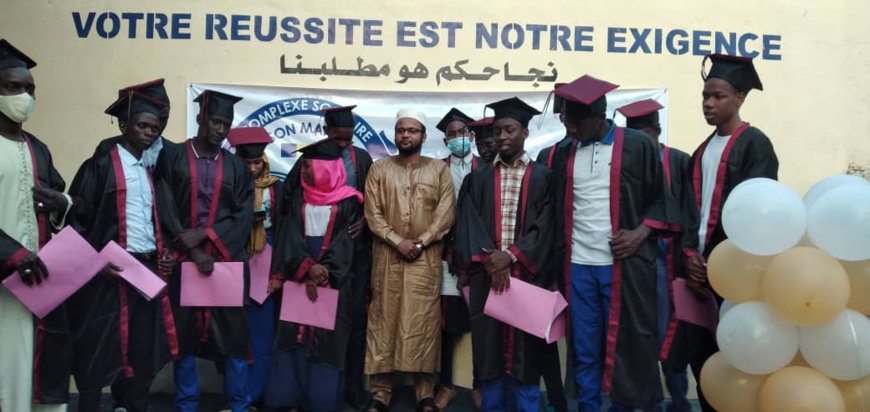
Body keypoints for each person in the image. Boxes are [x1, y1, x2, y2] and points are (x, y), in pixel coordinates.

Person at [549, 75, 678, 412]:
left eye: (576, 123)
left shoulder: (637, 145)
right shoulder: (565, 152)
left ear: (597, 117)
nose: (571, 129)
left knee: (628, 343)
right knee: (584, 345)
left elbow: (661, 200)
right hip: (577, 265)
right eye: (566, 122)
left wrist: (641, 232)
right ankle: (588, 406)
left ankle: (623, 407)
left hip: (622, 266)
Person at [67, 91, 178, 412]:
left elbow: (154, 221)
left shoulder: (149, 171)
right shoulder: (100, 166)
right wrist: (94, 261)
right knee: (98, 345)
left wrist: (165, 251)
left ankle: (132, 405)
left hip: (144, 272)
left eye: (155, 128)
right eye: (142, 125)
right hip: (107, 275)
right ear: (124, 124)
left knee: (141, 348)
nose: (149, 132)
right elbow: (78, 219)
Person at [681, 54, 778, 412]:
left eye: (718, 96)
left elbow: (756, 212)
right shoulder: (701, 151)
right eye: (705, 96)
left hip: (736, 278)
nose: (708, 103)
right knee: (703, 360)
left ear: (740, 97)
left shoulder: (755, 145)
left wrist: (717, 262)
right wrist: (689, 256)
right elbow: (688, 212)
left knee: (737, 357)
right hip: (697, 275)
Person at [452, 97, 556, 412]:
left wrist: (509, 256)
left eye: (509, 129)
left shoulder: (543, 177)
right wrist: (492, 261)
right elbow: (469, 223)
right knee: (488, 349)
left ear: (525, 133)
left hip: (526, 275)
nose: (502, 136)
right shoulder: (477, 179)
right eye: (497, 131)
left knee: (526, 350)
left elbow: (546, 227)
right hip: (487, 275)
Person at [153, 89, 254, 412]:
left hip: (225, 263)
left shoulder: (236, 167)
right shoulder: (173, 157)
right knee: (183, 338)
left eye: (226, 124)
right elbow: (164, 204)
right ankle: (187, 403)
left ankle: (239, 403)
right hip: (184, 262)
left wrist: (206, 235)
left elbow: (242, 216)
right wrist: (192, 247)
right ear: (200, 119)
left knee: (234, 338)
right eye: (215, 121)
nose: (221, 130)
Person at [278, 105, 373, 409]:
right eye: (338, 137)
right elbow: (290, 199)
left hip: (349, 256)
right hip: (308, 256)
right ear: (327, 131)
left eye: (348, 138)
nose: (344, 144)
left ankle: (352, 387)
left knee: (351, 322)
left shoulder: (363, 158)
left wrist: (366, 220)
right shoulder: (311, 158)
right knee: (303, 324)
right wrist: (306, 264)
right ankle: (300, 390)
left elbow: (372, 199)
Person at [363, 108, 455, 412]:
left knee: (424, 323)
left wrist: (422, 241)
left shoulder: (439, 170)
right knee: (383, 321)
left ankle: (425, 392)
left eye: (412, 130)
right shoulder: (379, 169)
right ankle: (380, 393)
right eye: (401, 130)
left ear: (424, 136)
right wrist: (395, 241)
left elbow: (446, 213)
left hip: (425, 260)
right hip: (387, 258)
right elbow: (372, 214)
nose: (406, 135)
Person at [0, 39, 73, 412]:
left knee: (43, 373)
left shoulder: (38, 147)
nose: (24, 96)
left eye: (29, 89)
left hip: (40, 284)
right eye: (13, 87)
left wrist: (63, 204)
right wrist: (12, 254)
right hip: (5, 284)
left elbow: (58, 195)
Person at [263, 139, 362, 412]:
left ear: (325, 168)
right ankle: (292, 399)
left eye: (307, 166)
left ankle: (321, 401)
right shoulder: (298, 199)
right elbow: (288, 237)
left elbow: (348, 241)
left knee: (326, 341)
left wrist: (324, 271)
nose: (303, 171)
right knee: (294, 337)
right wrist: (307, 268)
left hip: (334, 279)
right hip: (300, 274)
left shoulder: (350, 202)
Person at [616, 99, 692, 412]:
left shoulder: (679, 162)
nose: (638, 141)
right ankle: (650, 401)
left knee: (671, 337)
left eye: (644, 134)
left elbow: (690, 210)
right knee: (637, 336)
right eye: (631, 134)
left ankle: (679, 400)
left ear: (658, 131)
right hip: (635, 263)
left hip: (670, 263)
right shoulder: (623, 163)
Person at [225, 126, 284, 409]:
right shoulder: (227, 186)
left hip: (266, 257)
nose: (251, 168)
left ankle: (258, 394)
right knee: (234, 332)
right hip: (235, 255)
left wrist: (279, 273)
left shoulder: (276, 187)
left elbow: (286, 232)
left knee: (261, 334)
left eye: (256, 162)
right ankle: (237, 396)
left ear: (264, 161)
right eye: (246, 163)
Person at [434, 107, 479, 409]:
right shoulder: (437, 168)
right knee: (445, 323)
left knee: (483, 322)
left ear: (472, 135)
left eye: (461, 132)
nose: (456, 138)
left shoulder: (485, 165)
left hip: (479, 256)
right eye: (450, 134)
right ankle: (445, 385)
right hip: (447, 255)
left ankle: (479, 385)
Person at [69, 78, 174, 194]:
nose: (156, 125)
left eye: (163, 119)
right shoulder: (108, 147)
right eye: (144, 124)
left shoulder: (174, 153)